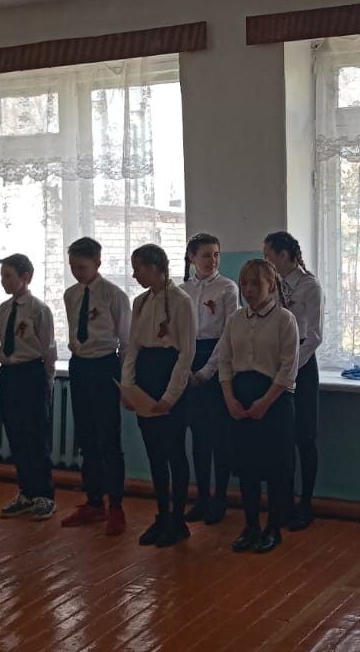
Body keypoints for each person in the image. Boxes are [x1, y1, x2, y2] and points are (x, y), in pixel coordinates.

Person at [219, 259, 299, 554]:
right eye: (245, 284)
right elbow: (224, 361)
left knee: (275, 469)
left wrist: (264, 403)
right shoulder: (235, 319)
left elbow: (288, 368)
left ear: (271, 286)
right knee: (247, 468)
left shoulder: (284, 319)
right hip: (241, 396)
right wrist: (230, 399)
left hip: (274, 400)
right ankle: (251, 526)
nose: (249, 290)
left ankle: (273, 528)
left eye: (256, 283)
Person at [122, 244, 196, 548]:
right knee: (154, 452)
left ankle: (178, 520)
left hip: (169, 377)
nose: (134, 275)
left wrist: (170, 396)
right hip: (146, 377)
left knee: (174, 452)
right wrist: (128, 387)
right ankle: (162, 514)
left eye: (138, 268)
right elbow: (132, 347)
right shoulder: (140, 302)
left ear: (154, 268)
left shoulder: (181, 301)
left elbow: (186, 353)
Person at [60, 237, 131, 536]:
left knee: (108, 440)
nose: (77, 272)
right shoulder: (71, 295)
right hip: (80, 366)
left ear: (98, 264)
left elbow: (126, 341)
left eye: (82, 267)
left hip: (105, 366)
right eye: (73, 267)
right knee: (86, 438)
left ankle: (115, 505)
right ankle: (93, 502)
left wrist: (125, 381)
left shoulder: (114, 295)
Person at [263, 231, 323, 531]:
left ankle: (306, 504)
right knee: (280, 438)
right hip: (275, 363)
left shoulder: (309, 285)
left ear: (284, 255)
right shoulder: (271, 285)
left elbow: (314, 335)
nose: (266, 262)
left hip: (302, 365)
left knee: (304, 437)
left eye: (269, 256)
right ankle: (282, 503)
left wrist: (291, 366)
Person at [180, 233, 239, 525]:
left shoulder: (228, 288)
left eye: (216, 254)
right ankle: (201, 497)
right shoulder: (181, 291)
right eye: (206, 255)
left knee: (219, 437)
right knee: (198, 435)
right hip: (189, 359)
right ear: (192, 257)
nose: (212, 260)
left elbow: (229, 335)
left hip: (217, 362)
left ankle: (220, 498)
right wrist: (185, 369)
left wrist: (206, 372)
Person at [0, 253, 58, 522]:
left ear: (25, 277)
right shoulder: (3, 309)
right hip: (9, 374)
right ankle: (26, 492)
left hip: (32, 374)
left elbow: (48, 348)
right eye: (2, 276)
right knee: (16, 435)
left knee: (36, 437)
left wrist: (48, 382)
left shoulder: (38, 309)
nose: (3, 281)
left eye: (8, 276)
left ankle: (44, 494)